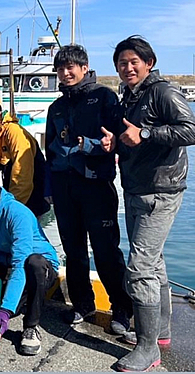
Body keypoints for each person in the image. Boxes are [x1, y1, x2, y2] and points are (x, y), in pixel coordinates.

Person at [101, 35, 195, 372]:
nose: (127, 68)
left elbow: (190, 128)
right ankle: (161, 332)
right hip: (137, 187)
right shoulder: (131, 96)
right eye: (121, 63)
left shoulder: (163, 92)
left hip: (162, 190)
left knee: (139, 268)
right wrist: (117, 141)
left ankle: (147, 348)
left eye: (133, 62)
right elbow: (133, 136)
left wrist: (146, 133)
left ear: (148, 63)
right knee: (153, 263)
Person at [44, 44, 132, 333]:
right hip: (64, 186)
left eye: (71, 67)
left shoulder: (104, 97)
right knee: (74, 250)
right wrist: (49, 189)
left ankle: (122, 309)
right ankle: (82, 304)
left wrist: (103, 145)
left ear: (84, 68)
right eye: (60, 68)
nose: (66, 72)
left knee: (106, 250)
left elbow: (120, 137)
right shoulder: (55, 107)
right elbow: (50, 151)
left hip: (96, 185)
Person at [0, 165, 59, 356]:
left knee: (34, 264)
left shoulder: (17, 213)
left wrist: (6, 309)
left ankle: (31, 326)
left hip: (39, 266)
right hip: (6, 261)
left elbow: (20, 262)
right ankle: (15, 303)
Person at [0, 91, 50, 217]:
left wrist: (14, 206)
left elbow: (22, 171)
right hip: (14, 196)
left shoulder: (13, 131)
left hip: (32, 196)